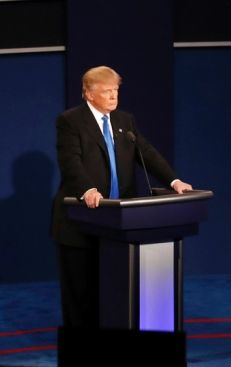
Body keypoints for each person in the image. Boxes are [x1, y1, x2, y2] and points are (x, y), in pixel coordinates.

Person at [50, 66, 192, 330]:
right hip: (81, 223)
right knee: (81, 296)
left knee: (116, 295)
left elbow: (146, 153)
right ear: (89, 94)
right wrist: (88, 189)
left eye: (116, 90)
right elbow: (70, 162)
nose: (114, 96)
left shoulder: (124, 121)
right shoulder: (70, 121)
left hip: (119, 225)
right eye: (107, 91)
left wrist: (174, 181)